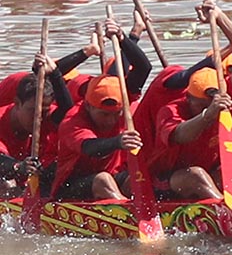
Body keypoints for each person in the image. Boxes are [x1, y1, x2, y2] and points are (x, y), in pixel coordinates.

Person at [53, 74, 140, 201]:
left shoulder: (126, 112)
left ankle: (145, 207)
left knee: (137, 176)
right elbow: (91, 148)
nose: (111, 121)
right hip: (69, 187)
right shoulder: (72, 121)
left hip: (111, 176)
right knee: (102, 179)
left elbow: (143, 68)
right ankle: (128, 212)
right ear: (88, 106)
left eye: (116, 114)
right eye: (104, 114)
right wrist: (118, 142)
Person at [148, 67, 229, 200]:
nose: (213, 111)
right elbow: (180, 136)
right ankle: (229, 213)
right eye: (202, 106)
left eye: (212, 105)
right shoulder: (169, 111)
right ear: (188, 98)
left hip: (208, 173)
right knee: (196, 175)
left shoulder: (225, 108)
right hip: (165, 180)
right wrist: (207, 115)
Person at [0, 55, 73, 198]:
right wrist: (18, 167)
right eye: (33, 111)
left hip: (25, 181)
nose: (38, 119)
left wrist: (55, 74)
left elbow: (68, 114)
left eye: (44, 112)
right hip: (6, 173)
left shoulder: (45, 116)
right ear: (17, 103)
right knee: (7, 184)